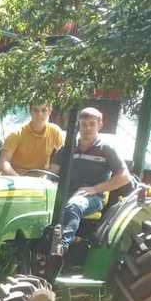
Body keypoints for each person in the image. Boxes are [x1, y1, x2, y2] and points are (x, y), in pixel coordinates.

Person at [56, 107, 131, 255]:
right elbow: (52, 172)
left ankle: (59, 250)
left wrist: (95, 189)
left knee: (73, 205)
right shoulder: (68, 148)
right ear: (78, 125)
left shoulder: (106, 149)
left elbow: (124, 177)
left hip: (92, 197)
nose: (87, 128)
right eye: (84, 124)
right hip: (65, 193)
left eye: (92, 124)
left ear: (100, 125)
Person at [0, 102, 65, 175]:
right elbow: (3, 162)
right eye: (35, 110)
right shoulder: (17, 133)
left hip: (40, 181)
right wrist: (18, 179)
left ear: (50, 111)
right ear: (30, 112)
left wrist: (49, 177)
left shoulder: (55, 131)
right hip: (15, 178)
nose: (39, 114)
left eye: (44, 110)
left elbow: (62, 157)